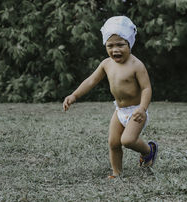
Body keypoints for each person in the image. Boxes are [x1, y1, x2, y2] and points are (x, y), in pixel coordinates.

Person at [62, 16, 158, 179]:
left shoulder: (136, 65)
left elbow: (146, 88)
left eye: (120, 44)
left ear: (129, 43)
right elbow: (91, 80)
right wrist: (74, 95)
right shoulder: (106, 64)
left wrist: (142, 108)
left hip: (136, 111)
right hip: (119, 110)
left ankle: (149, 150)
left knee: (127, 140)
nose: (115, 50)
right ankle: (116, 173)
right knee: (114, 143)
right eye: (110, 45)